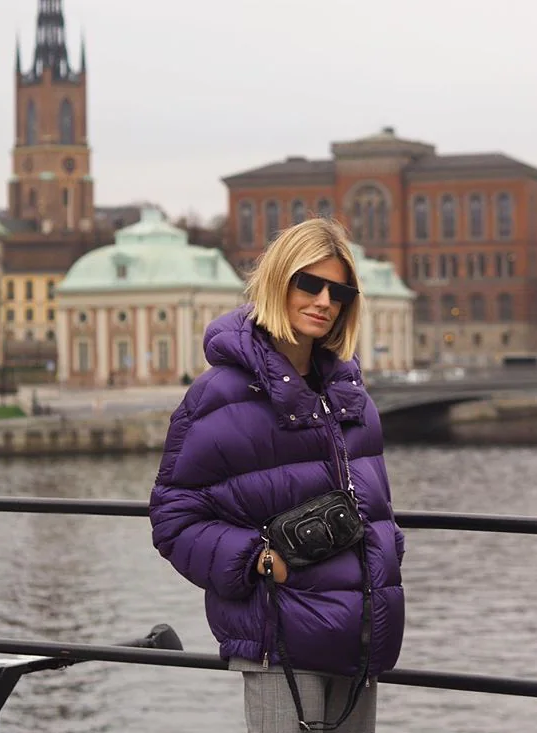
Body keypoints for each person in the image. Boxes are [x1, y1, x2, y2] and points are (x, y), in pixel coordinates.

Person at [149, 218, 405, 733]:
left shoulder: (352, 396)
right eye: (309, 284)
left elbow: (377, 504)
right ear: (277, 282)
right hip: (282, 635)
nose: (324, 301)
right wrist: (257, 561)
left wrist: (387, 550)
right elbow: (173, 517)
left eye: (340, 291)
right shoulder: (218, 395)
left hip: (359, 636)